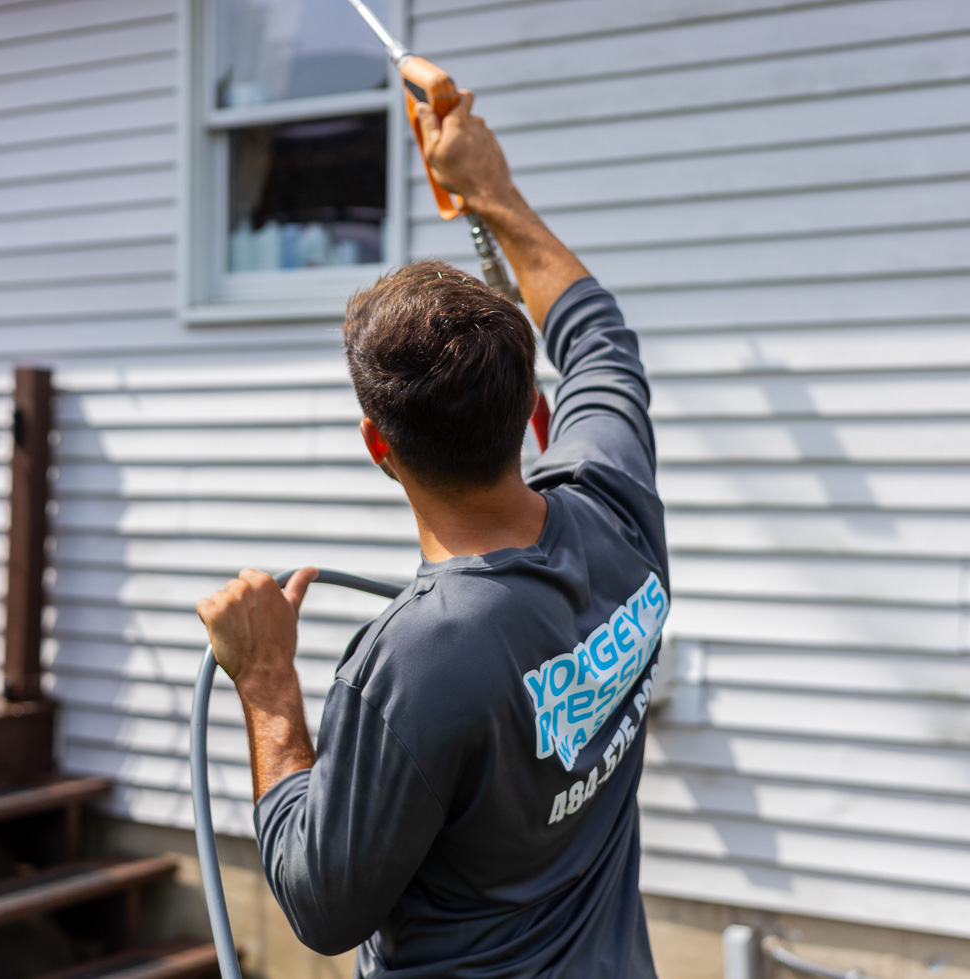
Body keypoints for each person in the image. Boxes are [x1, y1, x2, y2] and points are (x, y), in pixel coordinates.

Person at [196, 89, 669, 978]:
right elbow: (599, 338)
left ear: (378, 444)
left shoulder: (417, 661)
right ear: (529, 408)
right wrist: (493, 190)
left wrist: (266, 684)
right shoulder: (618, 502)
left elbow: (322, 904)